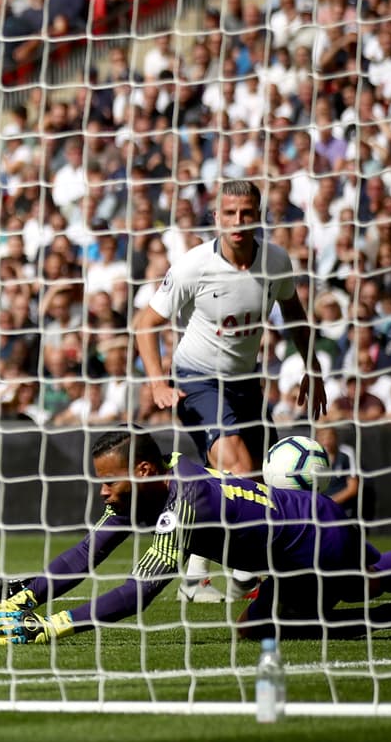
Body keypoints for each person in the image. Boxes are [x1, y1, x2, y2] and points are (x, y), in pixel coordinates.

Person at [0, 430, 391, 644]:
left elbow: (139, 594)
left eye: (110, 481)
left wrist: (55, 624)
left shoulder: (185, 503)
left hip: (315, 538)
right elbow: (88, 553)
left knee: (366, 581)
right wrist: (23, 597)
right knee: (258, 628)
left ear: (144, 470)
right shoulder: (150, 486)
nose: (104, 493)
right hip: (293, 537)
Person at [134, 180, 327, 603]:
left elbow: (293, 314)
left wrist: (312, 368)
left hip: (246, 383)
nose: (238, 222)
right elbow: (144, 326)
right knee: (239, 467)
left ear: (258, 216)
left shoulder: (275, 260)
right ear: (216, 218)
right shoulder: (193, 265)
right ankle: (246, 571)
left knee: (260, 480)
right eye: (229, 213)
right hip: (195, 381)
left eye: (246, 213)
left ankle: (195, 578)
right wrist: (157, 381)